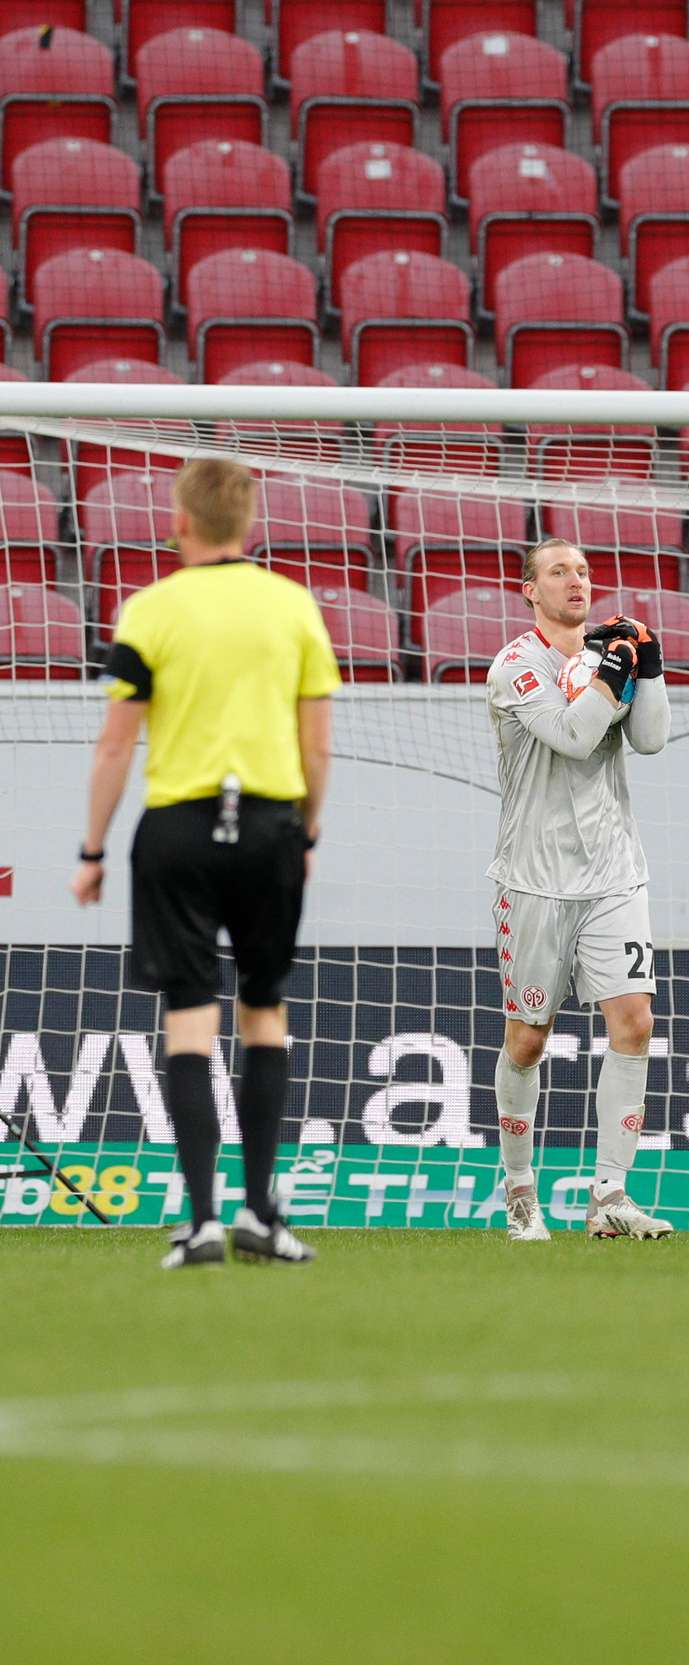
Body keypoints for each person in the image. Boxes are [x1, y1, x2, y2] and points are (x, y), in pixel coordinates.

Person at [70, 458, 337, 1269]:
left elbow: (116, 744)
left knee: (190, 1015)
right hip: (269, 825)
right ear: (248, 523)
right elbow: (317, 747)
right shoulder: (292, 604)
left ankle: (202, 1222)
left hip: (178, 830)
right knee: (264, 1010)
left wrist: (91, 850)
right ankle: (261, 1211)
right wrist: (305, 835)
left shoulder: (149, 608)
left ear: (180, 521)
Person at [486, 536, 673, 1243]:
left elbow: (649, 740)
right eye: (559, 571)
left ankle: (610, 1195)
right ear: (529, 589)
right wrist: (613, 675)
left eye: (585, 571)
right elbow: (572, 735)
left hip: (614, 873)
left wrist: (647, 668)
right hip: (534, 879)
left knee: (635, 1021)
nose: (576, 580)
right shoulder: (516, 665)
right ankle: (520, 1195)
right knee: (528, 1040)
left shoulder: (607, 657)